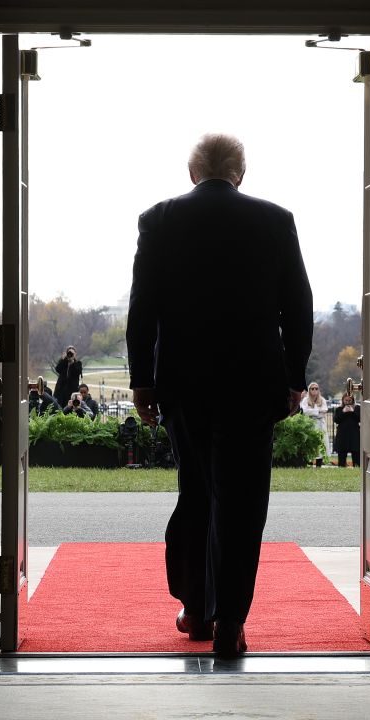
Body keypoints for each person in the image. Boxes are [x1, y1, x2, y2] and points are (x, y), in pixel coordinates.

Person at [126, 132, 313, 659]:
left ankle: (196, 609)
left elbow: (144, 309)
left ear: (192, 174)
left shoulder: (158, 220)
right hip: (253, 383)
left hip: (184, 383)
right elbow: (298, 305)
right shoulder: (275, 220)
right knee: (243, 501)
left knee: (197, 491)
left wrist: (143, 380)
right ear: (241, 174)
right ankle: (231, 621)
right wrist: (294, 377)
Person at [298, 382, 328, 464]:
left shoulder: (322, 400)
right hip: (309, 424)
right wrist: (317, 411)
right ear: (309, 390)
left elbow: (324, 411)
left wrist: (313, 412)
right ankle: (308, 463)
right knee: (310, 443)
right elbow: (304, 411)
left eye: (316, 388)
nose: (314, 390)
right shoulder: (305, 400)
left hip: (320, 425)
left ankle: (319, 464)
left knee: (320, 443)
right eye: (312, 388)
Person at [332, 391, 360, 468]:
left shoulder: (357, 408)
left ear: (353, 400)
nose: (347, 403)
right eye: (346, 401)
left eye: (349, 401)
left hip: (354, 434)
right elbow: (336, 420)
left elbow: (359, 418)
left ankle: (357, 468)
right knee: (341, 456)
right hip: (342, 435)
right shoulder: (339, 409)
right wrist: (343, 412)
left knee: (356, 455)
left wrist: (352, 411)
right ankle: (341, 468)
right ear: (343, 400)